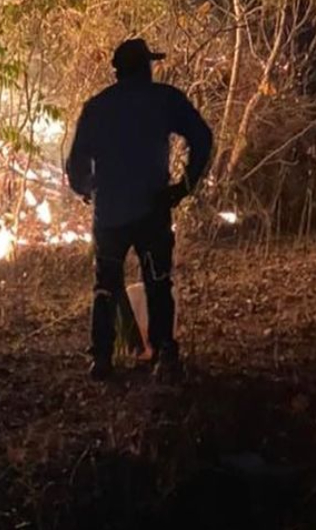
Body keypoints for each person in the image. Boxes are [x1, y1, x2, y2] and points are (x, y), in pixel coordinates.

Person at [66, 38, 213, 381]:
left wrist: (89, 190)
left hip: (110, 214)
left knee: (106, 283)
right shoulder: (164, 99)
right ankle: (164, 354)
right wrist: (185, 186)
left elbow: (75, 165)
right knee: (158, 280)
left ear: (117, 72)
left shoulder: (97, 107)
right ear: (145, 68)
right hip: (152, 207)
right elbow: (202, 137)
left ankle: (102, 357)